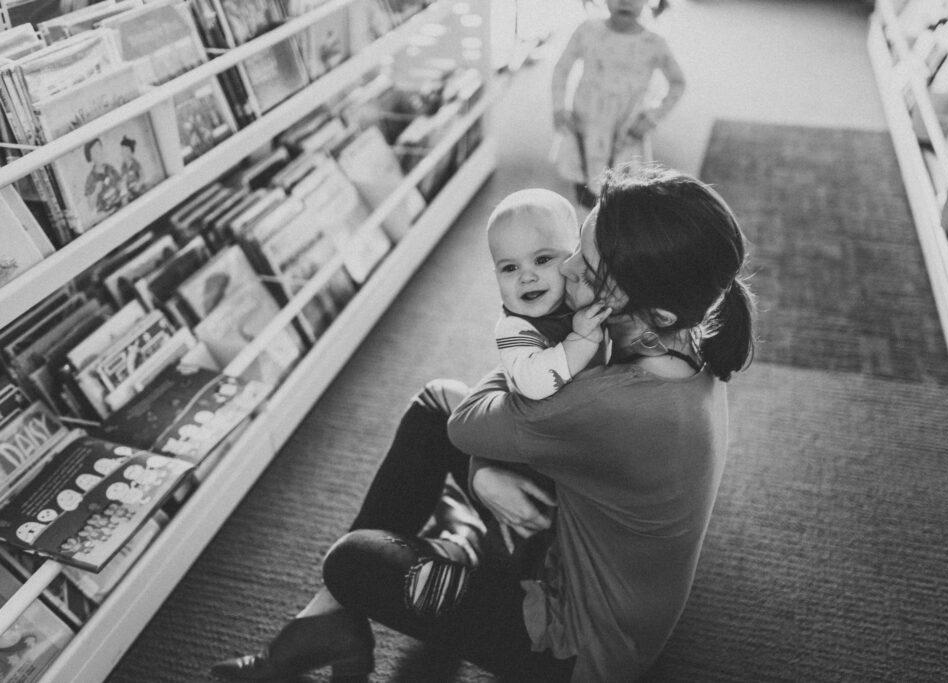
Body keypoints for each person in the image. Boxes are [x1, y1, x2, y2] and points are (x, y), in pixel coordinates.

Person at [210, 163, 755, 683]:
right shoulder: (691, 336)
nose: (563, 269)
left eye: (584, 269)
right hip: (583, 542)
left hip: (577, 650)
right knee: (436, 400)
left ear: (652, 310)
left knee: (352, 563)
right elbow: (487, 414)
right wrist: (484, 467)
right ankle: (340, 612)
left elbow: (467, 425)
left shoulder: (611, 403)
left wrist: (519, 339)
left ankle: (451, 552)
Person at [551, 0, 686, 207]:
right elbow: (562, 68)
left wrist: (652, 117)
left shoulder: (654, 43)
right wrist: (559, 107)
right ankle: (589, 229)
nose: (625, 2)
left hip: (625, 131)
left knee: (622, 196)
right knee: (585, 190)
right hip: (587, 125)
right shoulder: (587, 30)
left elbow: (678, 83)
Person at [488, 187, 611, 401]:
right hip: (537, 426)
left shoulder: (577, 293)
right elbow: (534, 384)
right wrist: (583, 338)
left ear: (575, 254)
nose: (526, 277)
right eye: (509, 268)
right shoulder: (514, 329)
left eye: (542, 260)